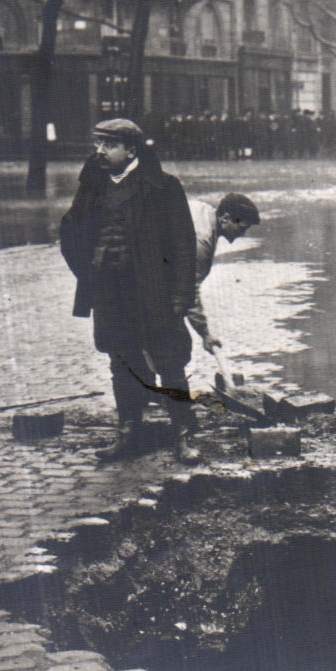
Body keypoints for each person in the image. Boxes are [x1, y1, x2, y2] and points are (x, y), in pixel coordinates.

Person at [60, 118, 200, 463]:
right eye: (98, 144)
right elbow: (70, 233)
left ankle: (184, 435)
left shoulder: (163, 187)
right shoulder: (93, 188)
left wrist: (181, 295)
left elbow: (184, 246)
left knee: (168, 361)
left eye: (109, 145)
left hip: (153, 292)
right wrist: (90, 271)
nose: (100, 151)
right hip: (111, 292)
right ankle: (129, 432)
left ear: (132, 150)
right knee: (121, 361)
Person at [186, 192, 261, 354]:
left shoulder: (203, 210)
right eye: (242, 228)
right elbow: (189, 291)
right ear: (225, 218)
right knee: (175, 350)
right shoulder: (202, 241)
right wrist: (205, 334)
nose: (243, 234)